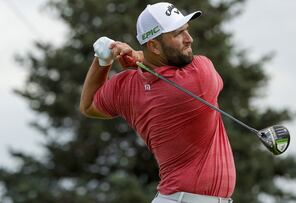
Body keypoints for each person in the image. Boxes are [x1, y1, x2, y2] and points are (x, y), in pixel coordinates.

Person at [80, 2, 235, 203]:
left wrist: (103, 60)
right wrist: (136, 56)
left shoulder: (126, 87)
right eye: (178, 34)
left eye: (186, 30)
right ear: (153, 45)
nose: (189, 39)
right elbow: (165, 69)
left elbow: (89, 105)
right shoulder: (199, 76)